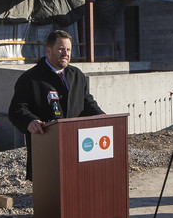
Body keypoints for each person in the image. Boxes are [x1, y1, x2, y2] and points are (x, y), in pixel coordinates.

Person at [7, 29, 104, 178]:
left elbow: (86, 102)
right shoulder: (30, 78)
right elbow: (16, 109)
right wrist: (30, 121)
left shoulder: (77, 75)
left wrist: (103, 118)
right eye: (60, 49)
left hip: (77, 145)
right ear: (48, 50)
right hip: (46, 147)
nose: (65, 53)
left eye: (68, 49)